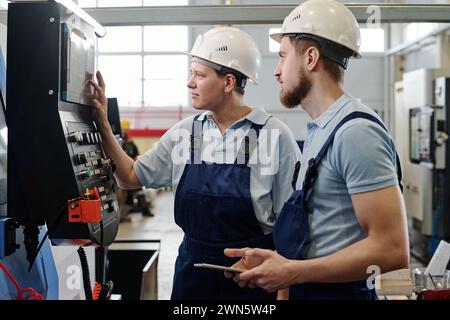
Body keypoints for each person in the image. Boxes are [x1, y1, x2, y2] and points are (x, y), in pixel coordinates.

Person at [89, 26, 301, 300]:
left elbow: (292, 226)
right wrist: (104, 127)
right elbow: (130, 176)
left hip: (253, 280)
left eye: (199, 75)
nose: (190, 83)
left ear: (228, 82)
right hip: (193, 277)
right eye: (191, 74)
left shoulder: (274, 136)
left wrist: (283, 292)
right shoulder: (184, 134)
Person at [225, 0, 409, 300]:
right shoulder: (320, 130)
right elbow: (322, 232)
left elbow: (391, 250)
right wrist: (281, 265)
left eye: (283, 57)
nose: (277, 71)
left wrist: (293, 271)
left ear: (310, 57)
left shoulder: (356, 133)